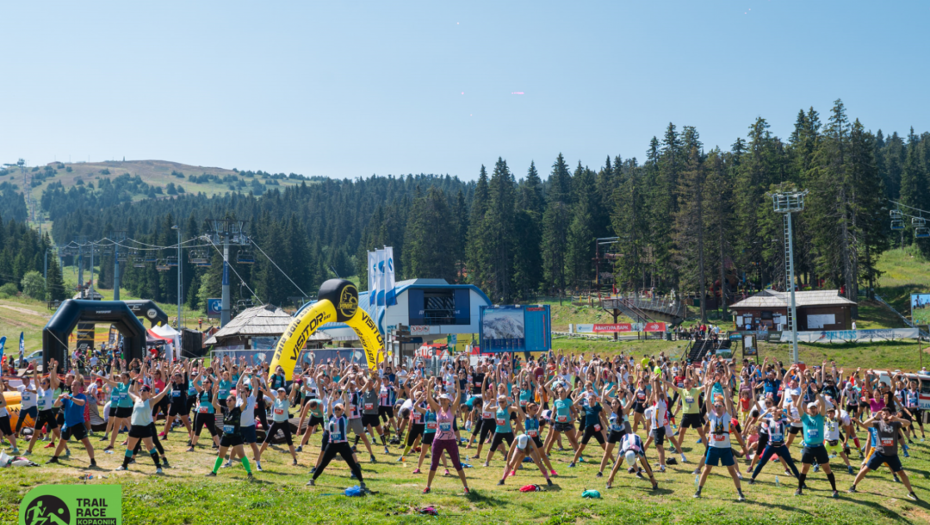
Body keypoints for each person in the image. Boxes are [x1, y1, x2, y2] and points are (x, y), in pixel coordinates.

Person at [695, 371, 744, 501]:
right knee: (706, 469)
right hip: (713, 447)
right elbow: (706, 401)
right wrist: (709, 386)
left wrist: (724, 387)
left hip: (725, 447)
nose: (717, 406)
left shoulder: (727, 415)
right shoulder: (711, 415)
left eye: (719, 405)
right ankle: (699, 490)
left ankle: (740, 493)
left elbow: (728, 400)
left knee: (732, 471)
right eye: (715, 405)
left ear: (723, 406)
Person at [306, 393, 367, 490]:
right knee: (323, 463)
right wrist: (331, 395)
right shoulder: (331, 417)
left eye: (339, 409)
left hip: (343, 445)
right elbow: (329, 404)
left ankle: (362, 482)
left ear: (342, 410)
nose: (337, 410)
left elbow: (347, 402)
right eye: (336, 409)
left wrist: (345, 392)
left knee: (352, 464)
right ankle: (312, 480)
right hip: (331, 445)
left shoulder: (344, 417)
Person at [794, 371, 838, 497]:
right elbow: (798, 406)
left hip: (819, 447)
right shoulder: (805, 418)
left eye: (814, 408)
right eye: (811, 408)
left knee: (827, 469)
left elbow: (823, 404)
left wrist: (816, 393)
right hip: (808, 447)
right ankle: (799, 489)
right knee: (804, 469)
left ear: (816, 409)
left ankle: (834, 489)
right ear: (807, 410)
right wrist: (802, 393)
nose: (813, 409)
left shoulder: (820, 417)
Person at [423, 379, 470, 494]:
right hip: (438, 440)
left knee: (457, 464)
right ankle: (428, 486)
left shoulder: (452, 409)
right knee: (434, 463)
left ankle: (466, 487)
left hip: (450, 441)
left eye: (444, 399)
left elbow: (459, 396)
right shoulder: (438, 409)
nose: (442, 401)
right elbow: (429, 398)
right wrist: (429, 385)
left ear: (449, 401)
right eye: (441, 399)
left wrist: (458, 383)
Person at [115, 380, 172, 473]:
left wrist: (170, 382)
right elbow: (129, 391)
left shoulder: (151, 401)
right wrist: (133, 381)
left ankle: (158, 467)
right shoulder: (137, 400)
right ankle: (124, 466)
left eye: (144, 390)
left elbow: (163, 392)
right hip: (134, 428)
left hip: (145, 428)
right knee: (130, 447)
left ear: (148, 393)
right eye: (141, 389)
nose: (141, 391)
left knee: (150, 447)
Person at [205, 381, 254, 481]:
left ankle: (249, 472)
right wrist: (215, 393)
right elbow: (214, 403)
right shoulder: (224, 410)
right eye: (227, 400)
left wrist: (243, 393)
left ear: (234, 401)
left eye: (230, 400)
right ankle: (214, 472)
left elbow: (245, 403)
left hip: (236, 436)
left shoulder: (238, 410)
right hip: (226, 436)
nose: (228, 401)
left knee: (241, 455)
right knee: (221, 455)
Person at [47, 378, 96, 468]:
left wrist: (71, 398)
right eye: (72, 385)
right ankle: (55, 458)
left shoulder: (81, 396)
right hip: (67, 424)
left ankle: (93, 461)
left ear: (79, 387)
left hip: (78, 424)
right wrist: (59, 398)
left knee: (86, 442)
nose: (73, 387)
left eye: (75, 385)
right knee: (61, 442)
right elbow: (56, 405)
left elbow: (81, 403)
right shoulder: (67, 397)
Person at [25, 361, 64, 456]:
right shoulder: (39, 391)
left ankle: (66, 449)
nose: (42, 383)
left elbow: (52, 378)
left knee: (57, 433)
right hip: (41, 414)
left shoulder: (50, 390)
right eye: (41, 382)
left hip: (49, 413)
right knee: (35, 434)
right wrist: (35, 369)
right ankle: (28, 451)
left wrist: (53, 368)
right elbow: (35, 380)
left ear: (48, 384)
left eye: (44, 382)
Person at [257, 384, 299, 466]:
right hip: (275, 423)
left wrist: (293, 382)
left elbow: (292, 392)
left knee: (289, 442)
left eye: (281, 391)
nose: (279, 392)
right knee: (267, 439)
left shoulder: (287, 401)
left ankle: (294, 459)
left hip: (284, 423)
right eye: (278, 391)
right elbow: (268, 392)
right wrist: (265, 381)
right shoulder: (276, 400)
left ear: (284, 393)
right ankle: (258, 455)